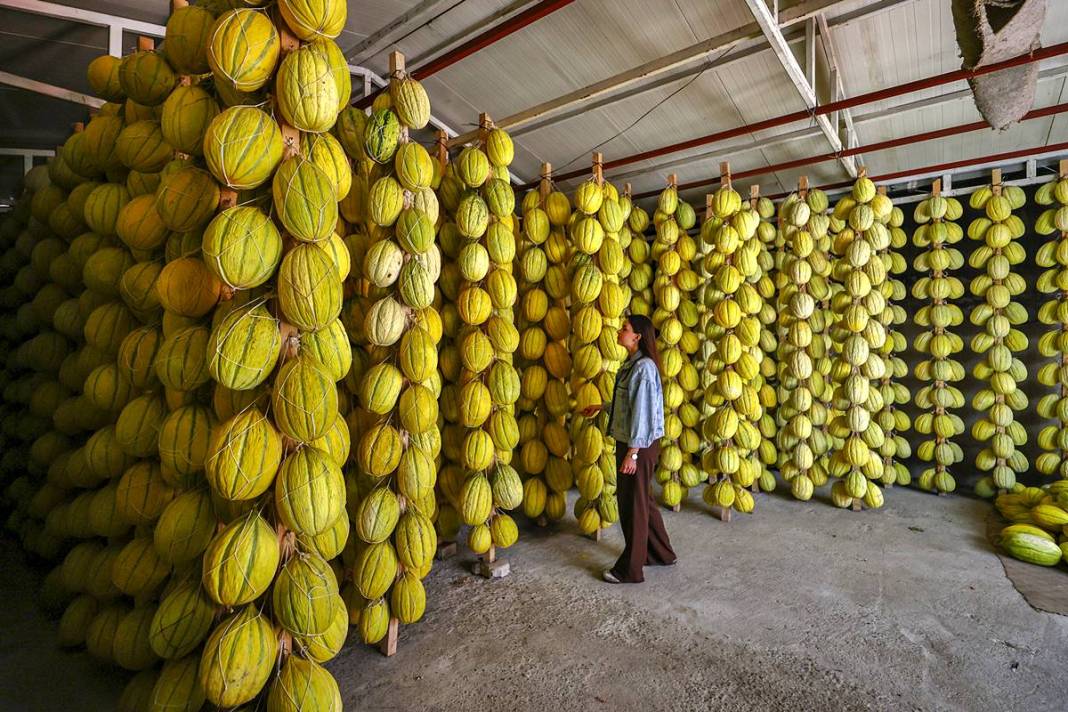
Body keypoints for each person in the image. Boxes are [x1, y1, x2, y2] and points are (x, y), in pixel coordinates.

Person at [582, 314, 676, 583]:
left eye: (624, 329)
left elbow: (642, 415)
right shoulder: (633, 364)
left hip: (640, 444)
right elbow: (630, 403)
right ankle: (663, 553)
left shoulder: (644, 367)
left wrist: (632, 453)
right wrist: (603, 407)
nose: (618, 331)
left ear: (637, 337)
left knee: (632, 506)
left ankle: (630, 569)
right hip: (637, 441)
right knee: (642, 499)